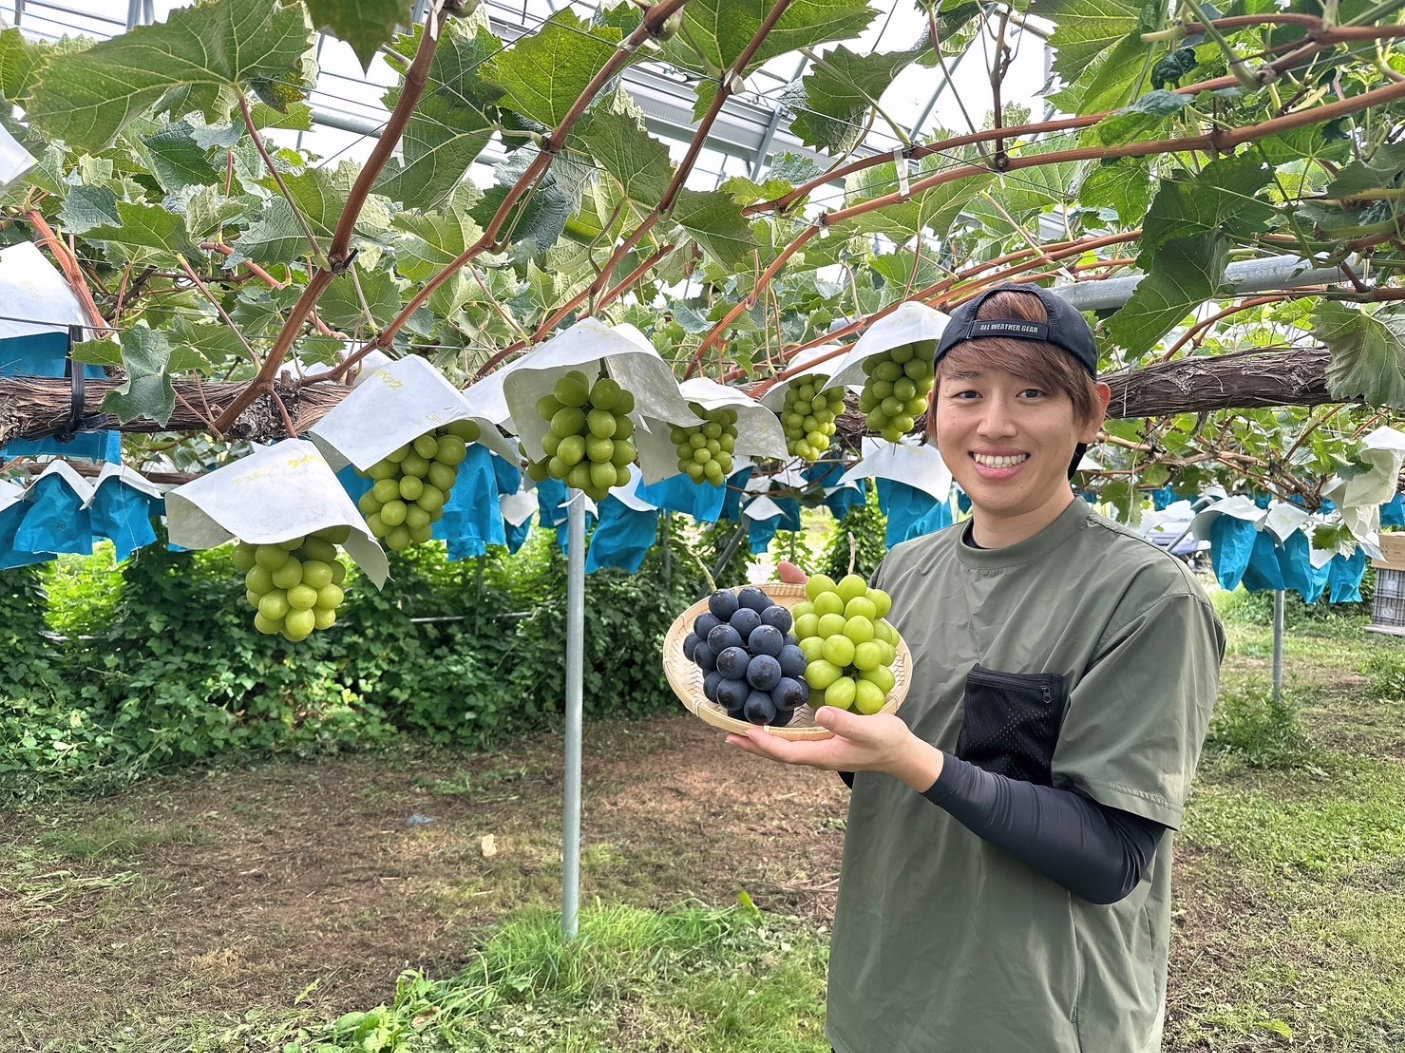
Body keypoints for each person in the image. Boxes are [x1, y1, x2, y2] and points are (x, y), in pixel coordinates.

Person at [727, 285, 1226, 1053]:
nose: (994, 422)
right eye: (967, 392)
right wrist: (817, 707)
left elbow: (1111, 857)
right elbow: (891, 761)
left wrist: (917, 761)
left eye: (1031, 392)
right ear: (933, 414)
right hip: (882, 996)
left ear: (1090, 412)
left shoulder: (1146, 597)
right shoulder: (904, 569)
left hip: (1038, 1020)